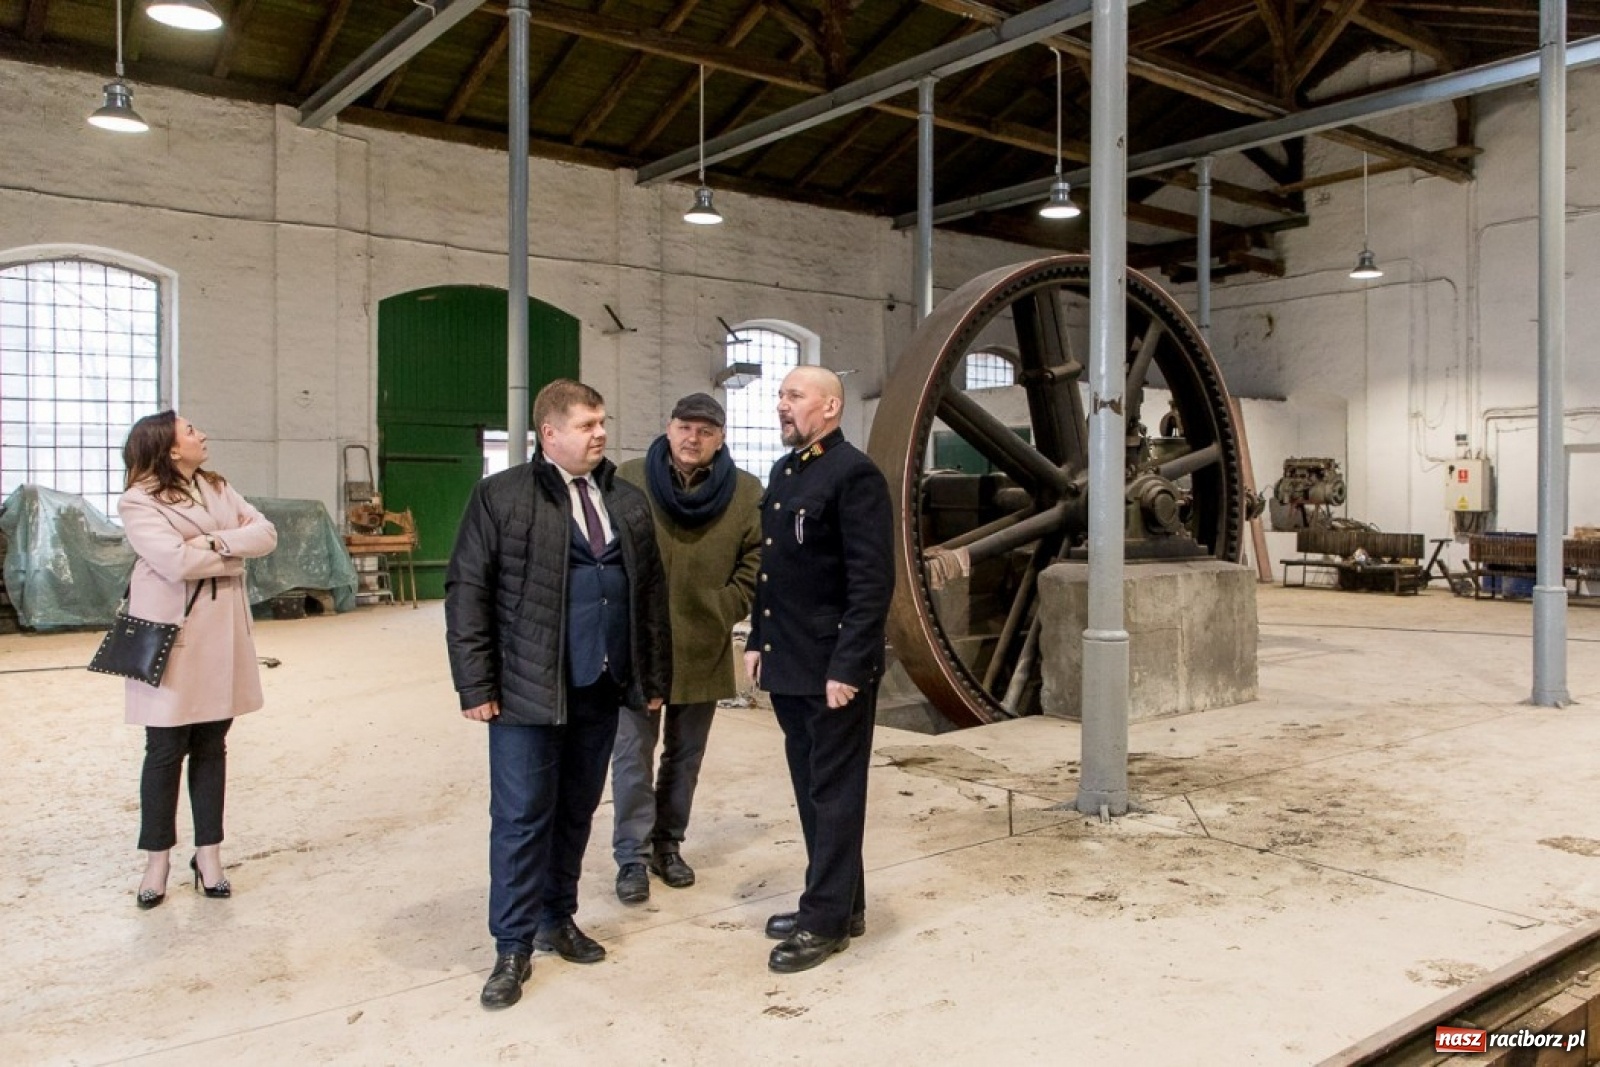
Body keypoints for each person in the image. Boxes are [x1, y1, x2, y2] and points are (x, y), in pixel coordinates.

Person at [445, 379, 670, 1011]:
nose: (600, 433)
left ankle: (557, 917)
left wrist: (651, 679)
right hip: (525, 688)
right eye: (587, 424)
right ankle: (511, 945)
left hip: (601, 685)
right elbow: (468, 590)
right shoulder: (502, 496)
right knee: (521, 818)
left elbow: (650, 595)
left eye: (602, 422)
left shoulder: (624, 501)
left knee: (575, 810)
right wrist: (475, 682)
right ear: (551, 434)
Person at [743, 366, 893, 974]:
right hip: (790, 664)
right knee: (814, 792)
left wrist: (849, 666)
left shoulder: (853, 474)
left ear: (830, 407)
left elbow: (872, 581)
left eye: (794, 396)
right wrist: (758, 636)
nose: (782, 405)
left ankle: (824, 921)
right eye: (780, 395)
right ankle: (841, 904)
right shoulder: (787, 472)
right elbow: (772, 570)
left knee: (834, 795)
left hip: (833, 669)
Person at [119, 411, 279, 909]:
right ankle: (157, 860)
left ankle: (208, 855)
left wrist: (209, 543)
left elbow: (266, 534)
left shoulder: (217, 487)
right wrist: (232, 550)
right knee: (164, 751)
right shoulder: (138, 500)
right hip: (173, 640)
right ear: (168, 448)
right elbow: (172, 561)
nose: (202, 434)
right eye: (190, 431)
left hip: (223, 637)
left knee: (212, 745)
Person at [610, 393, 761, 904]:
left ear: (721, 438)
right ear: (668, 428)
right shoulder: (628, 479)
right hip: (638, 644)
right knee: (632, 753)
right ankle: (630, 857)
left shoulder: (744, 491)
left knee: (685, 755)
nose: (693, 439)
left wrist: (725, 606)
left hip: (703, 640)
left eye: (705, 430)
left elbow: (759, 560)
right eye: (684, 427)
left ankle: (666, 846)